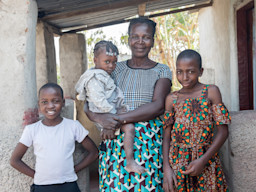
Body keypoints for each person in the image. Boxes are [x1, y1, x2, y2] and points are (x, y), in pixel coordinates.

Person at [84, 17, 172, 191]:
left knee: (147, 186)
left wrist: (116, 119)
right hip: (115, 139)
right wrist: (101, 120)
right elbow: (90, 101)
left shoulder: (161, 70)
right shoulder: (113, 68)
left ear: (153, 41)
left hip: (148, 142)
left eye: (146, 37)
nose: (140, 42)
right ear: (128, 39)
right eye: (135, 36)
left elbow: (158, 106)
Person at [162, 49, 231, 192]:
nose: (184, 77)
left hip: (206, 161)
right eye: (179, 71)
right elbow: (166, 137)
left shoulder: (211, 92)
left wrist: (203, 161)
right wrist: (167, 169)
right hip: (178, 164)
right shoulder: (172, 99)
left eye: (191, 71)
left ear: (201, 71)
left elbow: (223, 132)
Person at [10, 83, 98, 192]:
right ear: (39, 105)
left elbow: (94, 152)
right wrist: (37, 175)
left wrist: (74, 169)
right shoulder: (32, 130)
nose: (50, 106)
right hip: (42, 187)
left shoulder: (73, 126)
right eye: (44, 102)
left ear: (63, 103)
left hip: (68, 185)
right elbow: (14, 160)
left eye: (56, 101)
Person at [75, 40, 146, 174]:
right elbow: (99, 100)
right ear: (95, 60)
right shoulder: (94, 78)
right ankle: (130, 162)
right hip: (104, 113)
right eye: (106, 61)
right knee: (129, 128)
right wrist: (115, 116)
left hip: (109, 112)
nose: (111, 66)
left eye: (114, 62)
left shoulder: (104, 75)